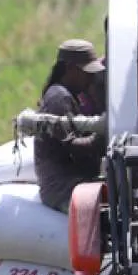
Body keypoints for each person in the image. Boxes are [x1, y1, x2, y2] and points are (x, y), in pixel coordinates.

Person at [33, 39, 107, 213]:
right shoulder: (59, 98)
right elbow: (70, 148)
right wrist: (99, 140)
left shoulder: (65, 95)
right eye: (86, 72)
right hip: (63, 188)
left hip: (68, 183)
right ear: (70, 69)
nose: (91, 77)